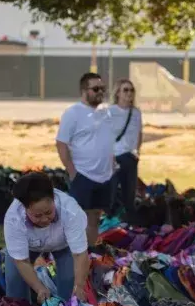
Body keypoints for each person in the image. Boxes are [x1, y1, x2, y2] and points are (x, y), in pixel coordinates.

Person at [4, 172, 90, 303]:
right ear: (24, 208)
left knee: (70, 284)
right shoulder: (14, 218)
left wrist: (79, 285)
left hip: (64, 245)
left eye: (49, 212)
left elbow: (80, 254)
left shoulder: (71, 211)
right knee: (15, 280)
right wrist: (39, 288)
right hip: (29, 246)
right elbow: (21, 261)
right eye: (37, 216)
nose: (44, 219)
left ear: (54, 199)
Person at [56, 72, 115, 247]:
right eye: (96, 89)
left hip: (105, 176)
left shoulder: (106, 112)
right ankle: (71, 253)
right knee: (77, 219)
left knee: (95, 218)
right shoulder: (72, 113)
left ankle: (89, 253)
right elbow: (61, 144)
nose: (100, 92)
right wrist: (72, 171)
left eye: (103, 89)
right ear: (84, 91)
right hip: (83, 175)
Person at [108, 78, 143, 218]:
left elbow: (139, 133)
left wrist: (137, 151)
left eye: (132, 90)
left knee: (129, 196)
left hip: (130, 157)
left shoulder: (136, 113)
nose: (129, 93)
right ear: (118, 93)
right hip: (113, 158)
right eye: (125, 90)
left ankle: (128, 224)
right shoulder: (110, 111)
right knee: (110, 195)